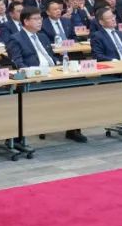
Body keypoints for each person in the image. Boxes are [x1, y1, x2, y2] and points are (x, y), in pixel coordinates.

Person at [5, 8, 88, 143]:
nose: (40, 22)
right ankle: (19, 138)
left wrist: (60, 63)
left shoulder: (42, 37)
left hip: (53, 73)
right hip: (36, 79)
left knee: (77, 85)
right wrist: (35, 73)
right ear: (26, 21)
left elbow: (51, 57)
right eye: (36, 19)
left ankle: (73, 129)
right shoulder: (16, 39)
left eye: (40, 19)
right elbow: (18, 63)